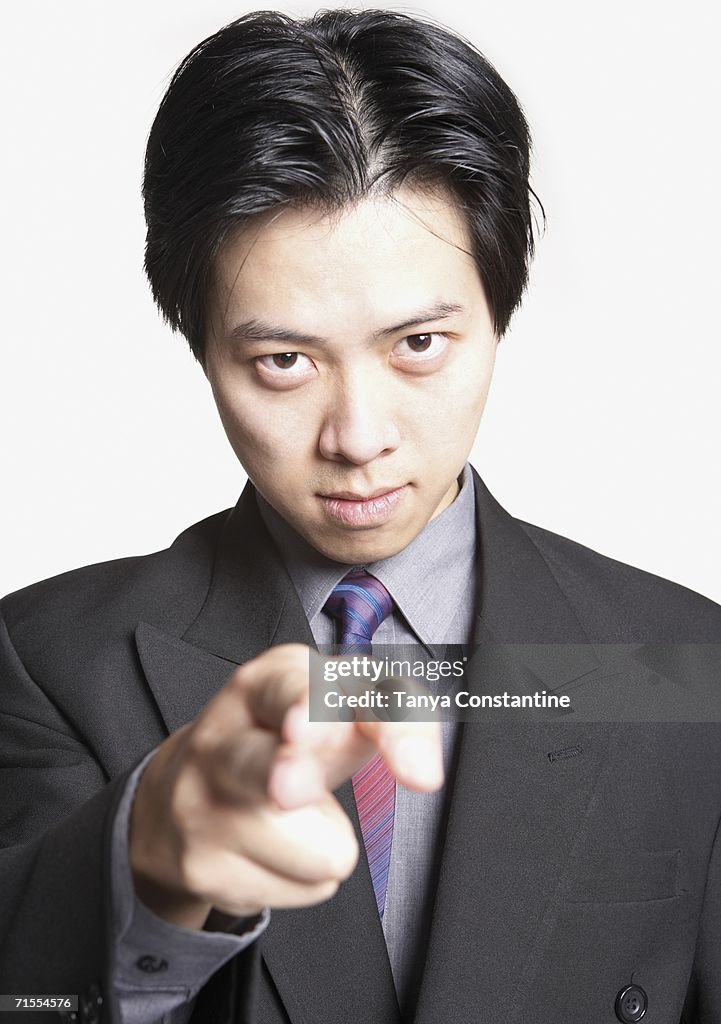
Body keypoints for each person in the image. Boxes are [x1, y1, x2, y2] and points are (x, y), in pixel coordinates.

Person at [1, 9, 720, 1024]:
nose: (358, 433)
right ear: (200, 345)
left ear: (497, 313)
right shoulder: (46, 660)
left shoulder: (683, 664)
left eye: (419, 343)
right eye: (283, 361)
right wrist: (144, 863)